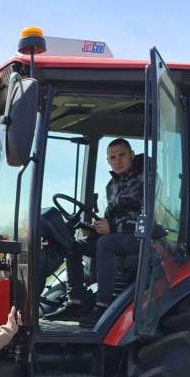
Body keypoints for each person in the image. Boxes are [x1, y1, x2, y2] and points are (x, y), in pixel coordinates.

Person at [52, 138, 143, 326]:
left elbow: (149, 215)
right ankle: (77, 301)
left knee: (105, 244)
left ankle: (103, 305)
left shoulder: (146, 179)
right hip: (118, 236)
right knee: (73, 246)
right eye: (112, 157)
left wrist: (113, 227)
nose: (117, 160)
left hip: (142, 238)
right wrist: (96, 229)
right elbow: (112, 214)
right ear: (108, 161)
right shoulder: (112, 185)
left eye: (122, 155)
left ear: (132, 155)